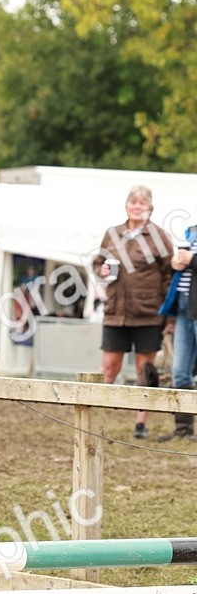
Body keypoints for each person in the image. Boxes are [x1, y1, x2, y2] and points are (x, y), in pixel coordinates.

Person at [92, 185, 173, 439]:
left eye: (142, 203)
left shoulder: (158, 237)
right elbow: (98, 262)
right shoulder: (113, 234)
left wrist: (169, 317)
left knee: (144, 369)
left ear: (150, 208)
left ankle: (141, 422)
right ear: (127, 206)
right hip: (116, 311)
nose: (137, 207)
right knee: (108, 367)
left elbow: (170, 275)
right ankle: (97, 417)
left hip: (149, 313)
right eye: (133, 202)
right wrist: (101, 270)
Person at [157, 224, 197, 442]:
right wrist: (175, 265)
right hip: (183, 309)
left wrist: (192, 260)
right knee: (180, 371)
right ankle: (183, 428)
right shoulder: (190, 233)